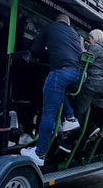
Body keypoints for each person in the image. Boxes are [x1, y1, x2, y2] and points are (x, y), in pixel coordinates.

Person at [20, 14, 83, 166]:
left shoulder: (50, 28)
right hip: (79, 75)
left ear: (57, 20)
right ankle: (70, 118)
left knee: (48, 113)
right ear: (68, 23)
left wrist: (50, 51)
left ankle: (39, 153)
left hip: (61, 72)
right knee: (59, 89)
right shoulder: (74, 33)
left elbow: (36, 49)